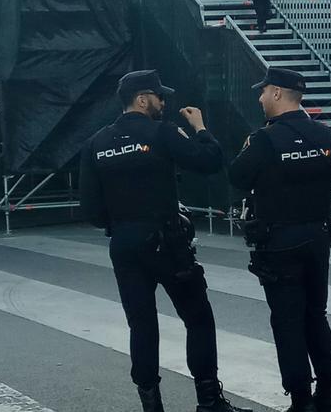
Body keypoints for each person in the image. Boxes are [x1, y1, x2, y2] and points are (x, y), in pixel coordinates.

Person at [79, 70, 250, 412]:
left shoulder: (96, 142)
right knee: (198, 318)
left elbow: (91, 209)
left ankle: (151, 405)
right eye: (159, 97)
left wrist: (122, 221)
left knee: (141, 324)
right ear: (142, 99)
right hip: (166, 241)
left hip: (125, 243)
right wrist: (200, 128)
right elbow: (210, 162)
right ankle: (209, 400)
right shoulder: (162, 132)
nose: (164, 103)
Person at [229, 67, 331, 412]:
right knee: (316, 314)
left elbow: (236, 175)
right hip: (317, 236)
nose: (260, 98)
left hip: (279, 241)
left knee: (287, 321)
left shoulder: (263, 139)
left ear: (277, 93)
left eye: (263, 92)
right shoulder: (323, 135)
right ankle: (329, 393)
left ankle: (300, 399)